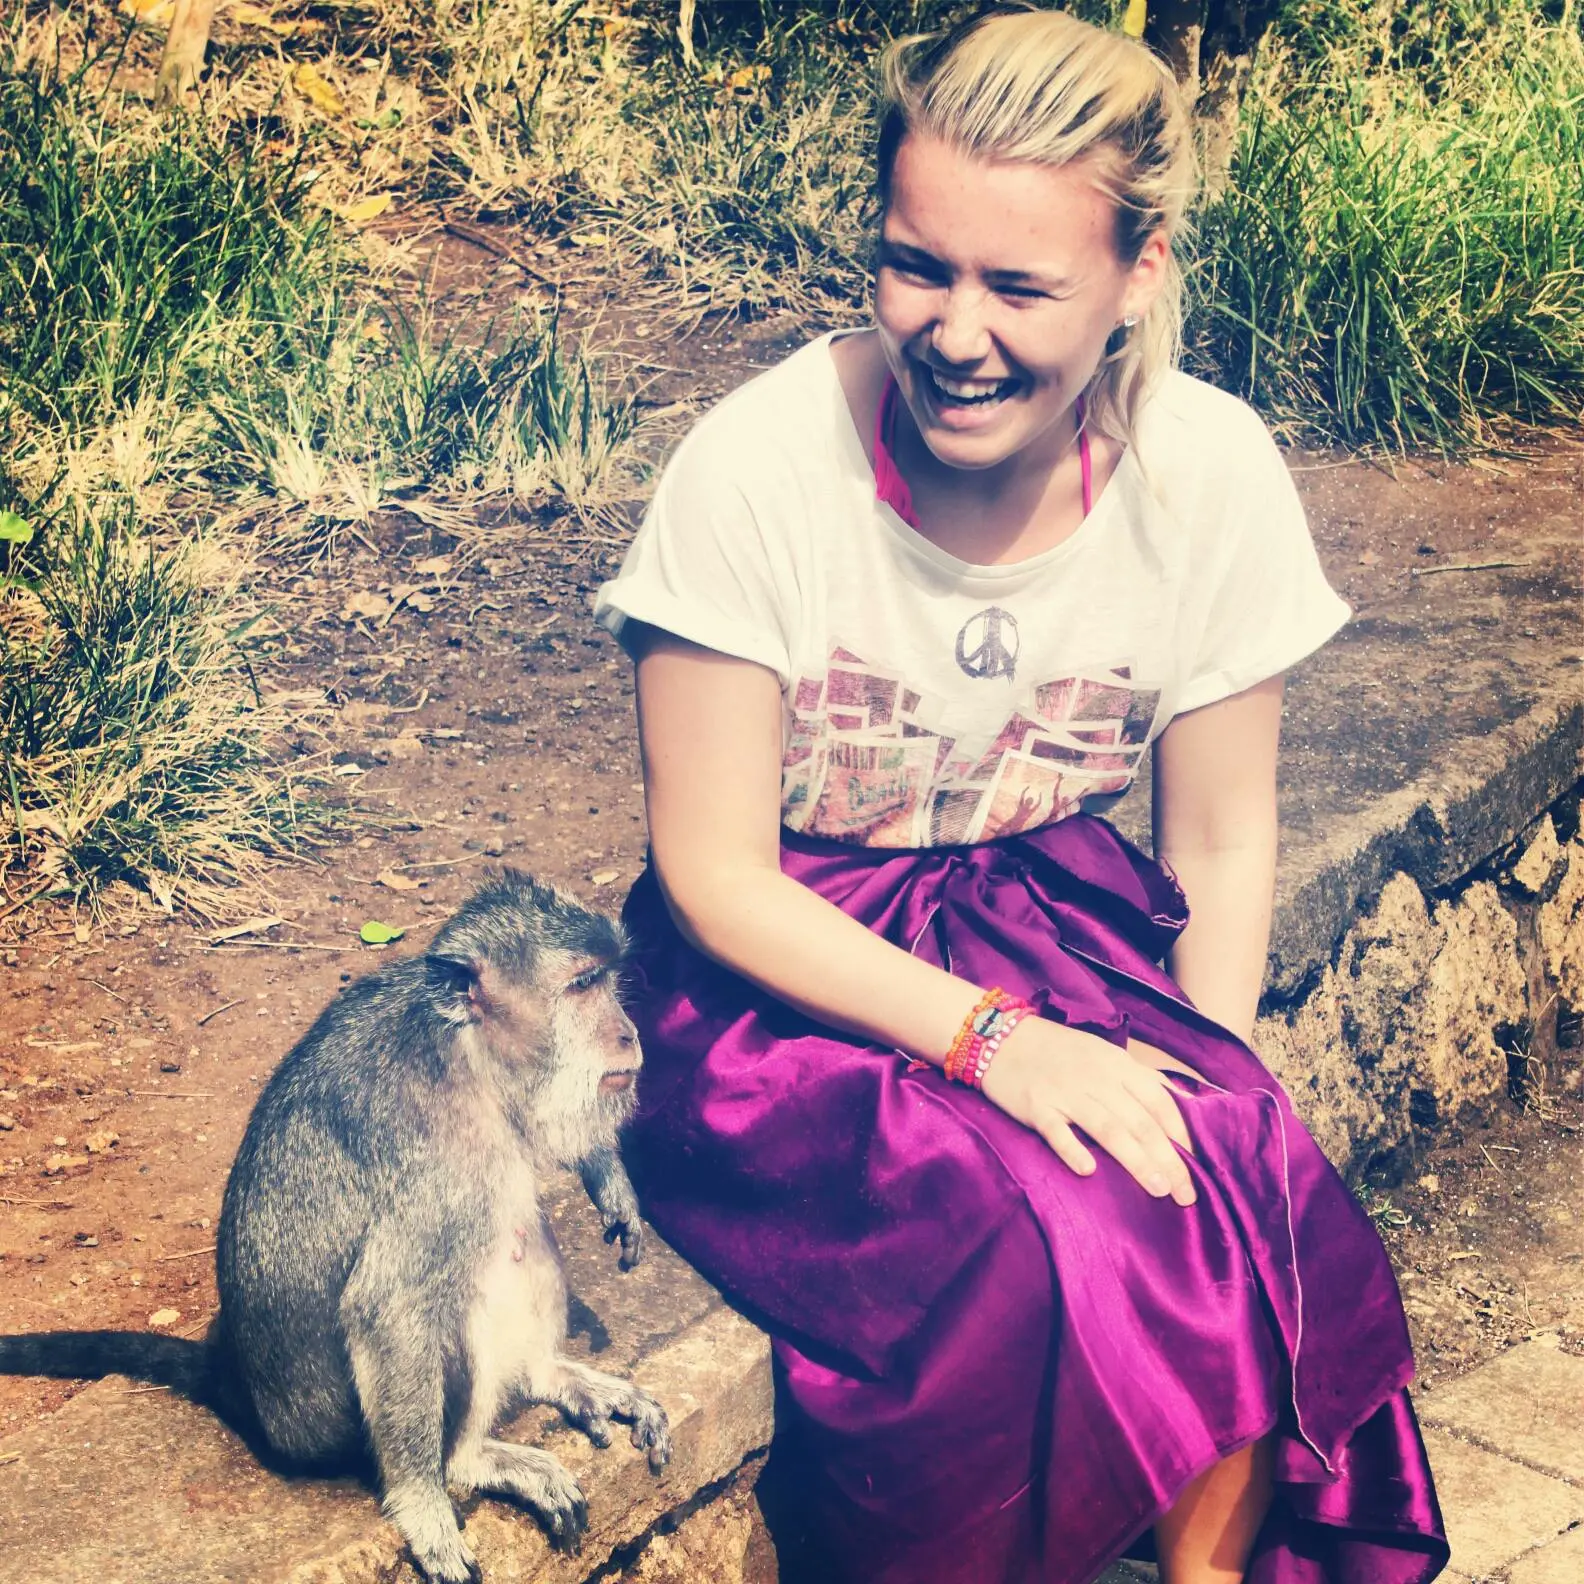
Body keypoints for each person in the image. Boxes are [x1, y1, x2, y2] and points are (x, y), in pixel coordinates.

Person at [592, 9, 1449, 1582]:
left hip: (1048, 915)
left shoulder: (1212, 475)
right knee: (1019, 1230)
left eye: (1021, 285)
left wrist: (1200, 1078)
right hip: (782, 975)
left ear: (1139, 271)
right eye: (919, 265)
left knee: (1234, 1175)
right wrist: (994, 1046)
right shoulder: (758, 471)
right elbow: (714, 876)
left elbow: (1217, 835)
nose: (955, 329)